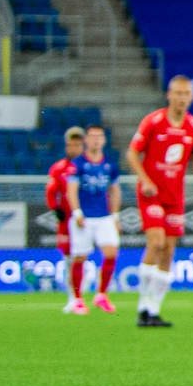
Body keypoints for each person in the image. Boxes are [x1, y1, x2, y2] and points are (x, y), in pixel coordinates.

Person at [124, 76, 193, 328]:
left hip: (175, 195)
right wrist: (145, 180)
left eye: (186, 94)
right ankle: (142, 307)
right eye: (178, 93)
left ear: (191, 97)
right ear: (169, 95)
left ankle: (153, 309)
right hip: (151, 193)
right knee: (156, 242)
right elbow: (132, 154)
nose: (182, 98)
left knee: (169, 251)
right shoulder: (153, 121)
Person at [66, 125, 123, 316]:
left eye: (99, 136)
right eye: (92, 136)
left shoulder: (110, 165)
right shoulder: (78, 164)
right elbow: (71, 190)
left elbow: (115, 190)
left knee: (111, 253)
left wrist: (115, 216)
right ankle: (78, 299)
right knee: (80, 257)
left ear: (104, 140)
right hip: (84, 217)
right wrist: (77, 212)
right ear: (86, 140)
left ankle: (101, 295)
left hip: (104, 216)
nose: (96, 140)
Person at [44, 125, 85, 311]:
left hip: (87, 220)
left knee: (82, 257)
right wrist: (55, 209)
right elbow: (50, 191)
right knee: (69, 259)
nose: (73, 148)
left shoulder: (88, 167)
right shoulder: (59, 169)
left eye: (77, 145)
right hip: (67, 220)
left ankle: (83, 295)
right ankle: (73, 297)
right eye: (70, 145)